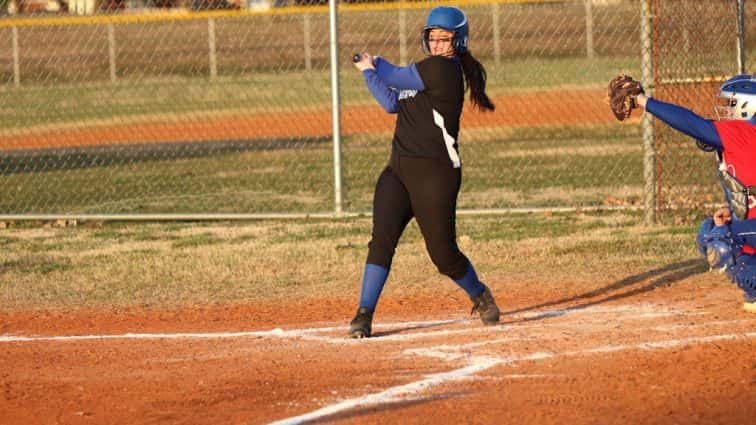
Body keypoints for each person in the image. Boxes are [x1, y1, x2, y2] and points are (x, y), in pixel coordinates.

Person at [348, 6, 500, 338]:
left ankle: (479, 293)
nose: (436, 44)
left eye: (444, 39)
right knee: (381, 241)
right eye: (432, 37)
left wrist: (376, 63)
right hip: (399, 170)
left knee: (444, 256)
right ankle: (364, 314)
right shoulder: (424, 70)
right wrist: (367, 73)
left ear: (458, 42)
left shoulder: (444, 71)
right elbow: (391, 102)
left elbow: (395, 75)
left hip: (436, 176)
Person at [619, 74, 756, 313]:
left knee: (720, 238)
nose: (724, 111)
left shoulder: (741, 132)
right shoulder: (745, 134)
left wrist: (642, 100)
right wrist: (733, 209)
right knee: (710, 231)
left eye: (730, 104)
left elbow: (690, 122)